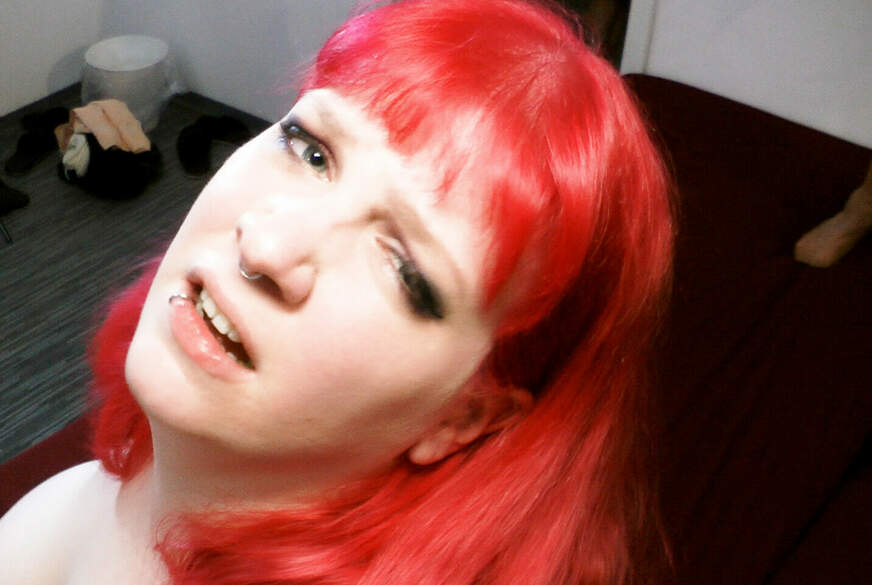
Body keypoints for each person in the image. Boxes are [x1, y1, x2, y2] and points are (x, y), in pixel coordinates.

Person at [0, 0, 674, 583]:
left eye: (405, 270)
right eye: (312, 150)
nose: (266, 247)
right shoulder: (119, 495)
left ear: (462, 418)